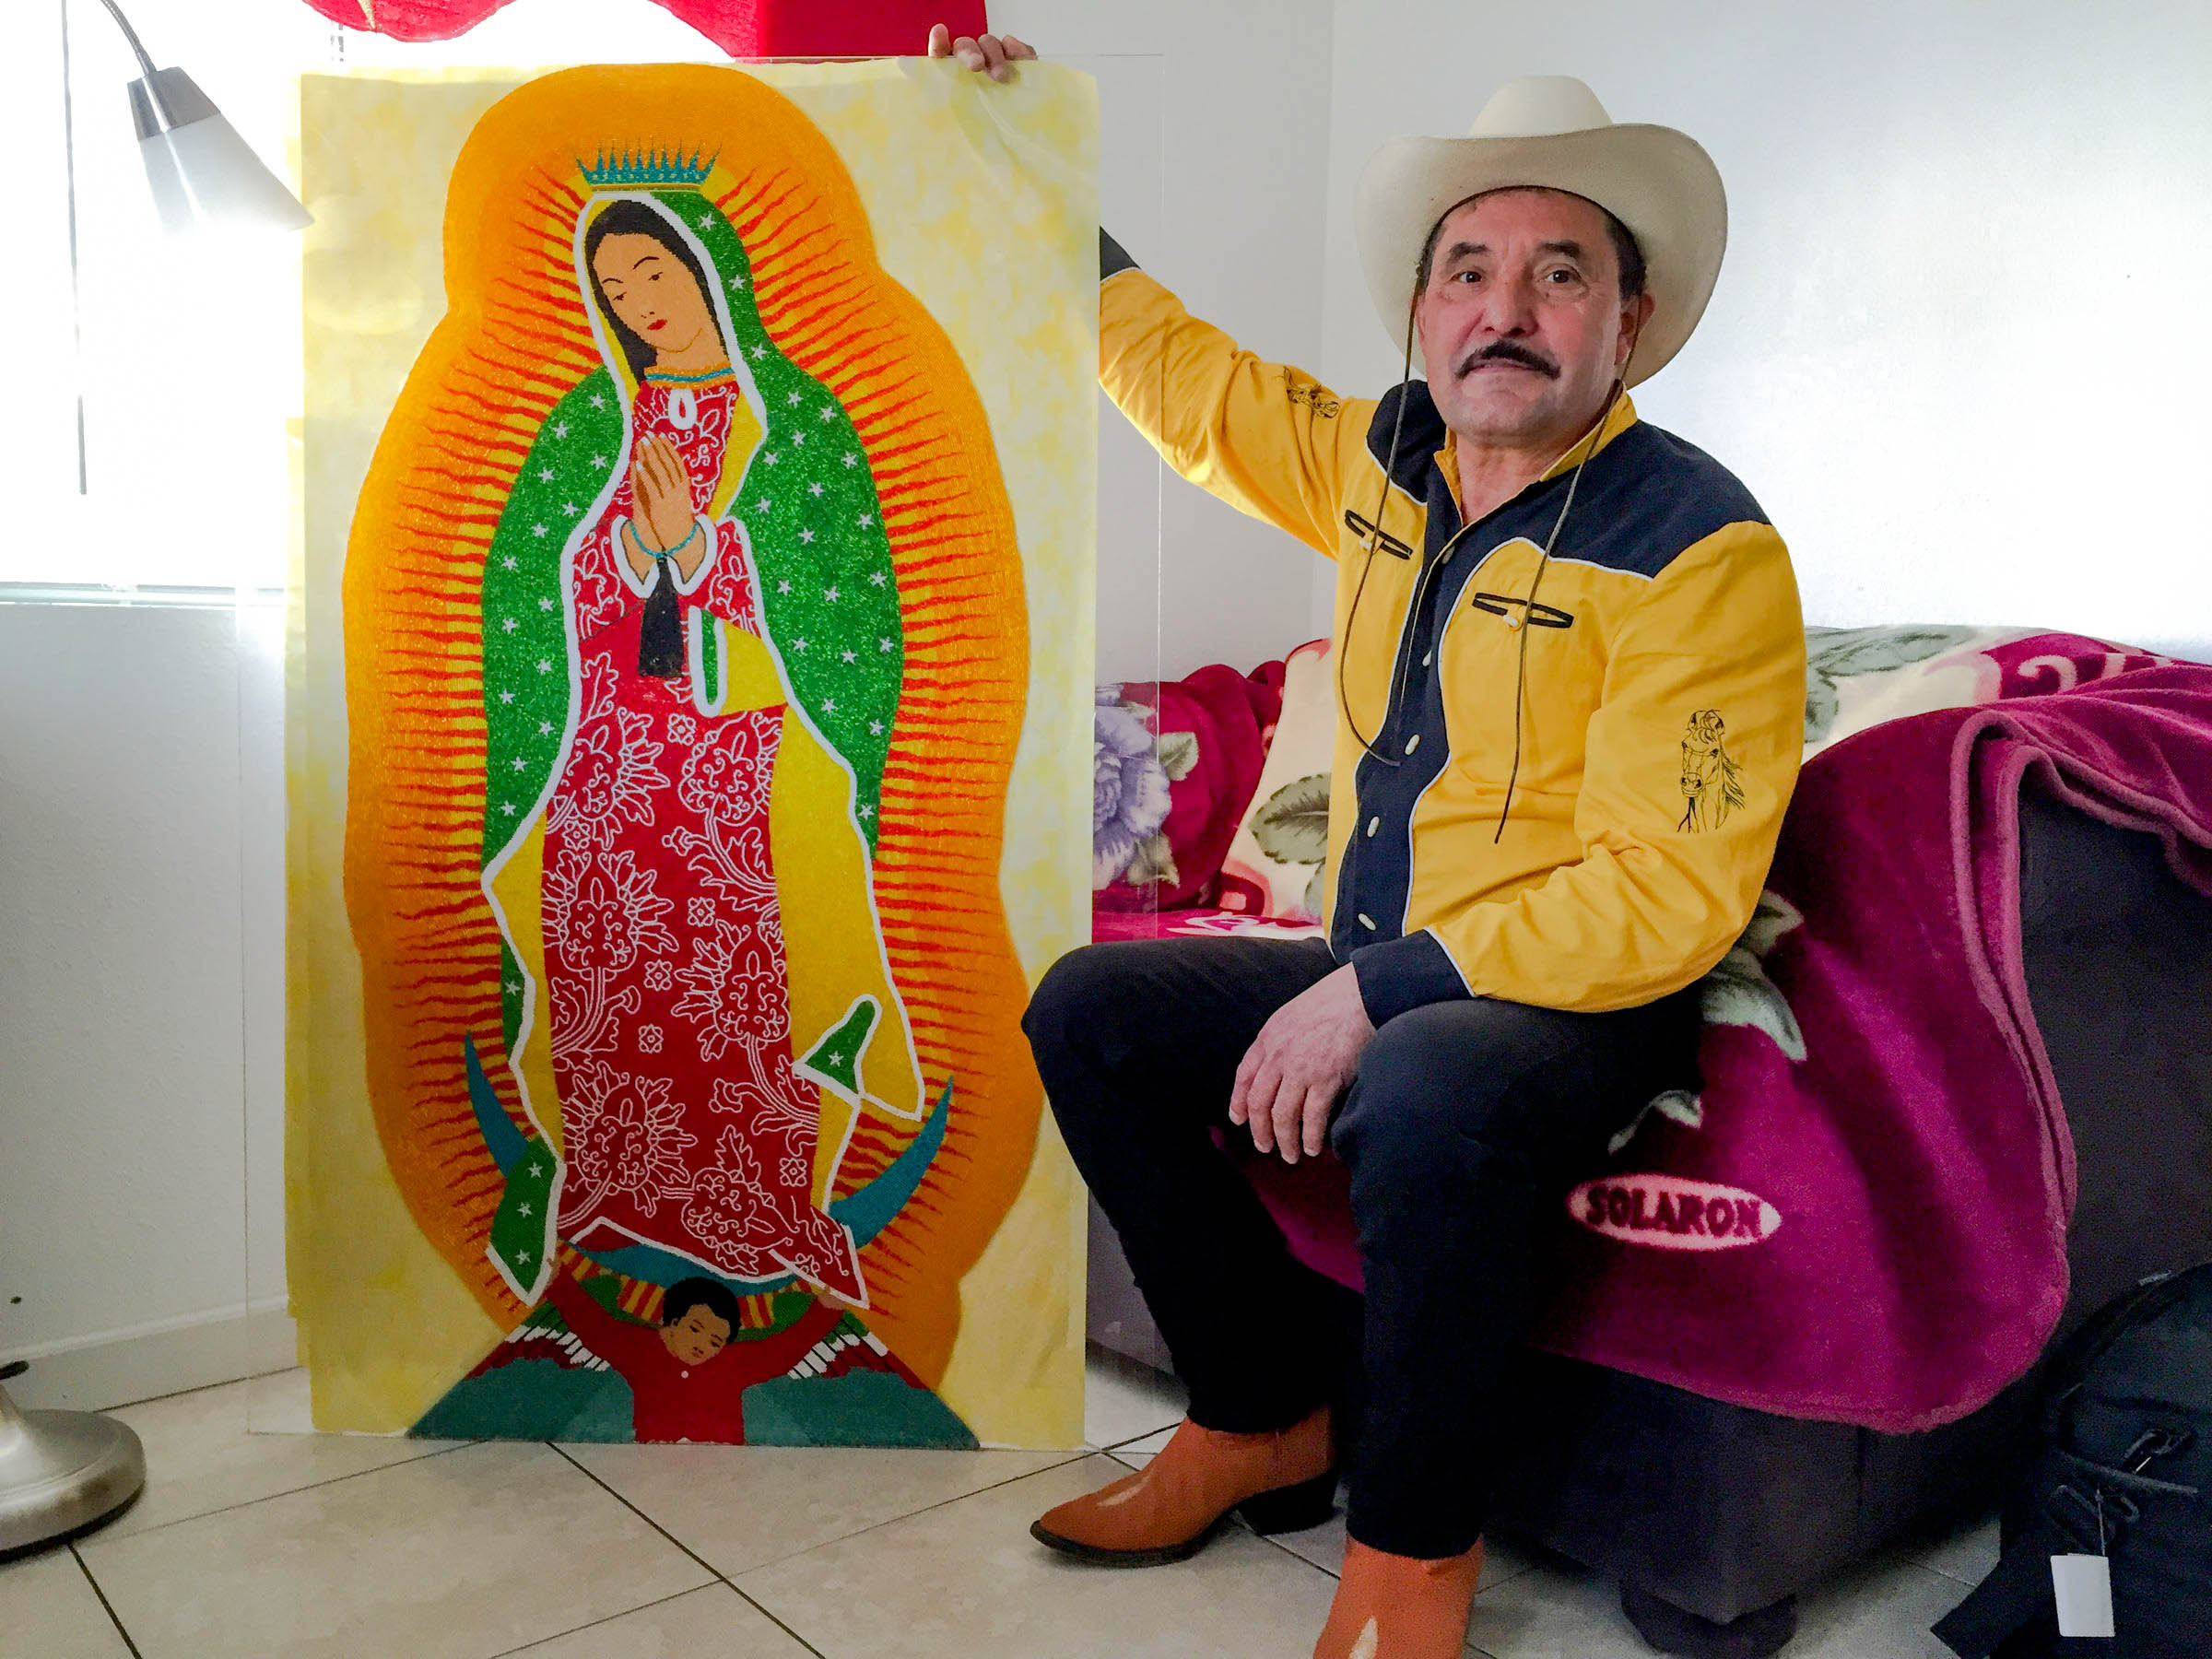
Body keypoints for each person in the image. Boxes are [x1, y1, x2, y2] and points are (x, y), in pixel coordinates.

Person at [931, 32, 1806, 1659]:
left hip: (1573, 1000)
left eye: (1560, 274)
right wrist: (1020, 143)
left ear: (1633, 323)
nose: (1506, 307)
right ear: (1422, 314)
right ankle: (1261, 1418)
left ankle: (1412, 1558)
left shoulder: (1703, 552)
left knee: (1425, 1076)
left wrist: (1375, 992)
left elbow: (1670, 890)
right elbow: (1174, 370)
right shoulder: (1375, 459)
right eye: (1467, 269)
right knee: (1090, 1009)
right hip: (1388, 967)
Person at [490, 188, 928, 1308]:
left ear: (708, 272)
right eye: (618, 292)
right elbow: (561, 578)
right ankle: (614, 1177)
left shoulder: (791, 423)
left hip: (734, 754)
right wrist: (637, 553)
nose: (642, 306)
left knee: (731, 971)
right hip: (614, 743)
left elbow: (828, 602)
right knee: (606, 952)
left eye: (656, 276)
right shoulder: (604, 422)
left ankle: (753, 1205)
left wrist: (698, 545)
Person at [540, 1270, 850, 1442]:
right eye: (695, 1328)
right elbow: (596, 1328)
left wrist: (828, 1305)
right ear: (671, 1323)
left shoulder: (733, 1362)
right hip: (648, 1471)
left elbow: (785, 1349)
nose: (703, 1345)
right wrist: (559, 1282)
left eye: (716, 1341)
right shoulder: (638, 1349)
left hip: (725, 1477)